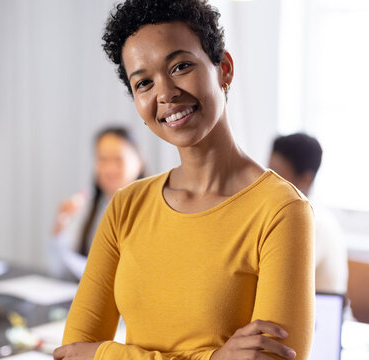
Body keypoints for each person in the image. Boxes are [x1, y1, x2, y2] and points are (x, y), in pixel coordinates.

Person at [54, 1, 314, 359]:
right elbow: (70, 354)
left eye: (180, 66)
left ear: (223, 69)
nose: (164, 93)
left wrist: (105, 354)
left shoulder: (282, 211)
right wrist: (215, 357)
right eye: (143, 82)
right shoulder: (126, 206)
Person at [50, 126, 144, 279]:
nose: (109, 168)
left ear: (139, 162)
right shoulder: (86, 207)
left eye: (118, 159)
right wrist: (60, 228)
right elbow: (61, 271)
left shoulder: (150, 211)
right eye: (102, 159)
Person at [269, 133, 348, 294]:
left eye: (276, 174)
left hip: (324, 314)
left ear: (305, 180)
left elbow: (281, 279)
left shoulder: (311, 221)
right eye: (266, 171)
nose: (266, 181)